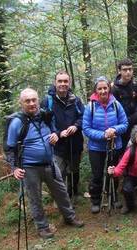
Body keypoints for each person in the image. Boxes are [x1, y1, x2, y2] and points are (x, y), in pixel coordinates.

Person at [6, 88, 83, 239]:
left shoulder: (45, 115)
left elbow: (54, 131)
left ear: (37, 99)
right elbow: (9, 148)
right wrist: (14, 168)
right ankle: (42, 227)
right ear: (21, 103)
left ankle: (70, 217)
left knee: (61, 191)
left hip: (50, 163)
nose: (31, 103)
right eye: (27, 101)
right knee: (35, 198)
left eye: (34, 99)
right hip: (29, 168)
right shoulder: (16, 123)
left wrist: (55, 135)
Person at [83, 76, 128, 214]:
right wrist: (103, 135)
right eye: (100, 88)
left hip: (114, 145)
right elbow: (86, 128)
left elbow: (125, 124)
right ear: (96, 90)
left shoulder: (116, 104)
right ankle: (95, 200)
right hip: (96, 148)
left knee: (113, 172)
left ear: (109, 88)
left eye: (105, 88)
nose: (103, 91)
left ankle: (113, 197)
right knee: (97, 175)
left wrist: (114, 130)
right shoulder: (90, 107)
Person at [40, 70, 85, 199]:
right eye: (60, 81)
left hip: (75, 143)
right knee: (59, 172)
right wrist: (59, 134)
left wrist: (76, 126)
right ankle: (61, 198)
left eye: (65, 81)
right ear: (55, 83)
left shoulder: (76, 100)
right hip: (57, 146)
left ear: (69, 82)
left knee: (74, 169)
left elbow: (83, 117)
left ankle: (74, 192)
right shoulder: (47, 101)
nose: (63, 84)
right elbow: (43, 125)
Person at [107, 123, 137, 214]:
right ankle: (130, 205)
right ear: (135, 139)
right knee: (127, 189)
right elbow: (120, 167)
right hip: (132, 177)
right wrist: (113, 172)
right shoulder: (131, 151)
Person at [111, 58, 137, 149]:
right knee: (123, 151)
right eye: (125, 70)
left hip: (135, 124)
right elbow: (114, 110)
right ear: (119, 71)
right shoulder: (114, 89)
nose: (128, 72)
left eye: (130, 69)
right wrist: (125, 120)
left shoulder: (135, 85)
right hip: (122, 126)